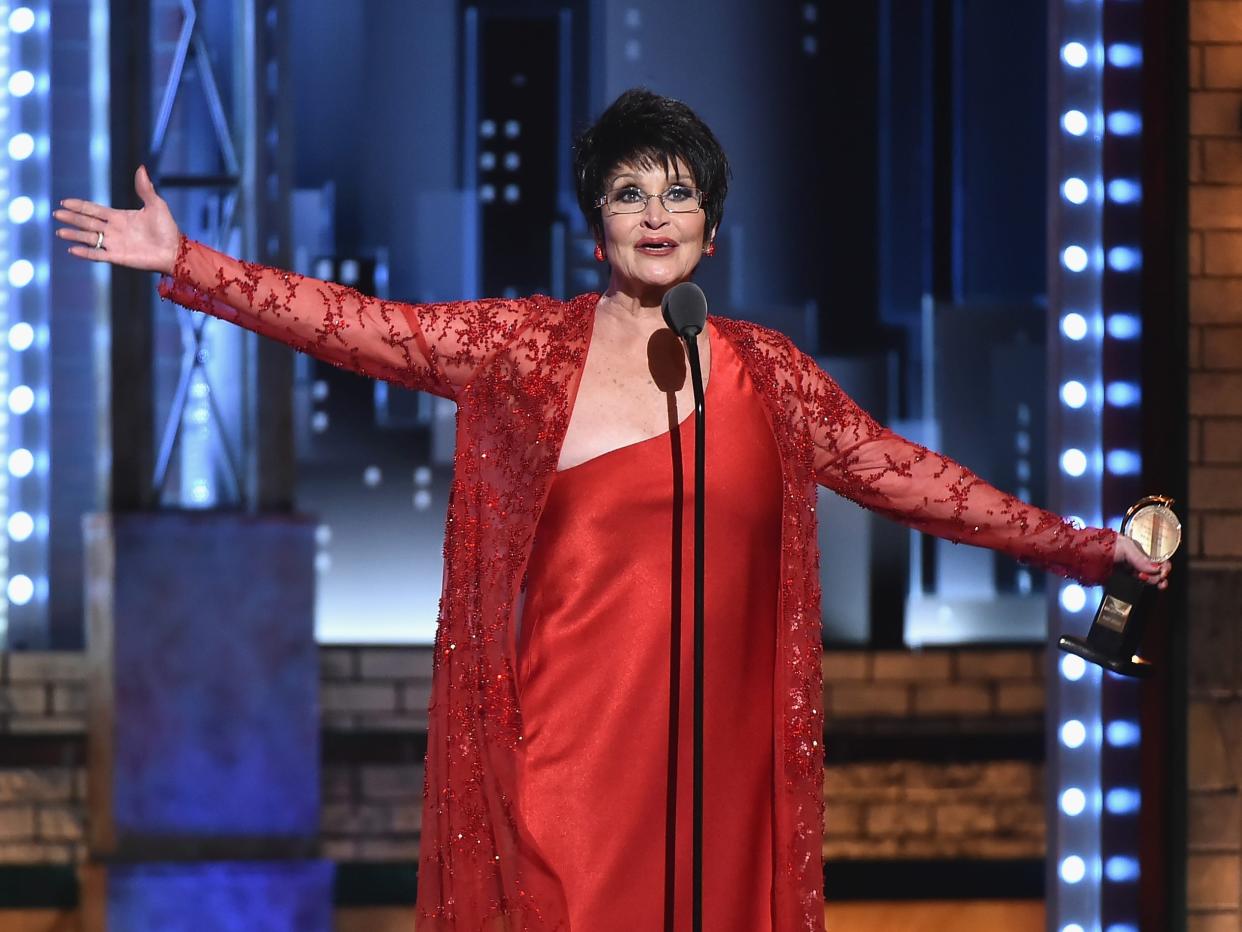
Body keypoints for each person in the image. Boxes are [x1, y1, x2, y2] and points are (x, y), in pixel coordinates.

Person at [56, 88, 1169, 932]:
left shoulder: (769, 377)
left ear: (712, 230)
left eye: (680, 191)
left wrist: (1089, 548)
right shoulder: (526, 353)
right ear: (596, 224)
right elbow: (363, 325)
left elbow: (918, 481)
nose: (656, 212)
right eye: (630, 191)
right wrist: (190, 261)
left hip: (719, 790)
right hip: (564, 787)